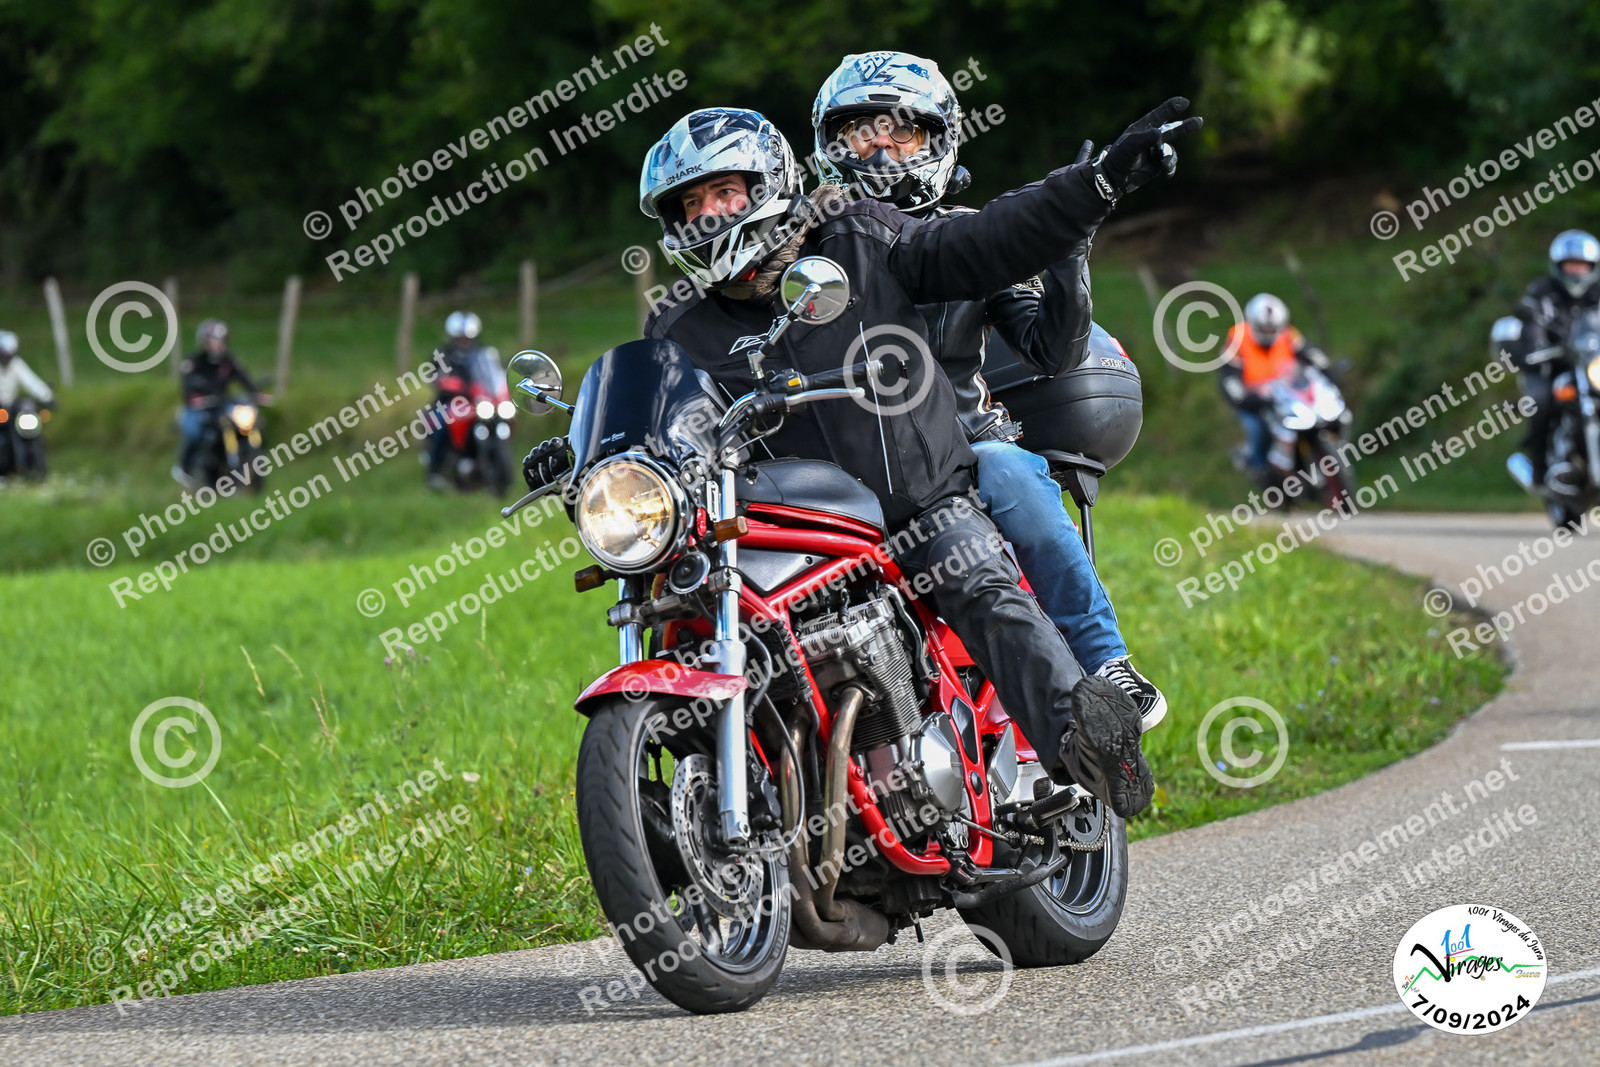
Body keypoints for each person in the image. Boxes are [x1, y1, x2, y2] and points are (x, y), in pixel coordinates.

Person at [533, 104, 1199, 818]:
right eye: (690, 203)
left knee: (975, 577)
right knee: (687, 609)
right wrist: (591, 456)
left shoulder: (859, 238)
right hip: (782, 530)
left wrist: (1093, 185)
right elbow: (666, 429)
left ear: (768, 184)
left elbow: (982, 239)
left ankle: (1083, 742)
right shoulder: (677, 322)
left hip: (916, 506)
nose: (708, 213)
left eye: (724, 191)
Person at [809, 51, 1167, 730]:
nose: (880, 148)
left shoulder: (973, 238)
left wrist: (1068, 249)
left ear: (938, 141)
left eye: (902, 131)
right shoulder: (806, 251)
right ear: (831, 146)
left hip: (964, 451)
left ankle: (1105, 662)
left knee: (1011, 468)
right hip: (843, 457)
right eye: (860, 132)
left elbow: (1051, 350)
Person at [1507, 229, 1600, 488]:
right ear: (1558, 266)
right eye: (1571, 265)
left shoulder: (1598, 293)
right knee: (1540, 400)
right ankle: (1539, 469)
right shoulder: (1542, 292)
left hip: (1591, 364)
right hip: (1550, 365)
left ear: (1592, 267)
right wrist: (1537, 346)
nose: (1576, 271)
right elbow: (1532, 324)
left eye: (1581, 265)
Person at [1218, 293, 1330, 484]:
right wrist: (1243, 397)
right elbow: (1228, 377)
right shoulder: (1237, 338)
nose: (1269, 332)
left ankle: (1312, 460)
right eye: (1264, 328)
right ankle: (1259, 468)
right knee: (1259, 429)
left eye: (1273, 328)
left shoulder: (1288, 334)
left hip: (1288, 393)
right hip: (1253, 398)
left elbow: (1311, 354)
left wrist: (1328, 370)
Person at [173, 319, 262, 487]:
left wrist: (257, 393)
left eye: (221, 340)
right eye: (215, 340)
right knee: (194, 432)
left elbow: (244, 378)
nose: (219, 344)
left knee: (249, 423)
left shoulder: (229, 361)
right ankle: (184, 468)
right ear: (205, 342)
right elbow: (188, 387)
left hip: (222, 404)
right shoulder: (194, 362)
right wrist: (196, 396)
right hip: (200, 407)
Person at [426, 310, 484, 491]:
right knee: (441, 424)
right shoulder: (444, 354)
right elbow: (433, 376)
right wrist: (446, 383)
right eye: (461, 338)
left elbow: (493, 374)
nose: (464, 341)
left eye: (467, 338)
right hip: (449, 401)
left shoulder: (482, 355)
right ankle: (434, 472)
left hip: (477, 402)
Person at [0, 329, 56, 475]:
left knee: (28, 418)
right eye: (4, 354)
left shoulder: (16, 365)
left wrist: (47, 396)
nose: (7, 358)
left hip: (11, 407)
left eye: (9, 355)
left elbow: (31, 381)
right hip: (1, 410)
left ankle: (33, 466)